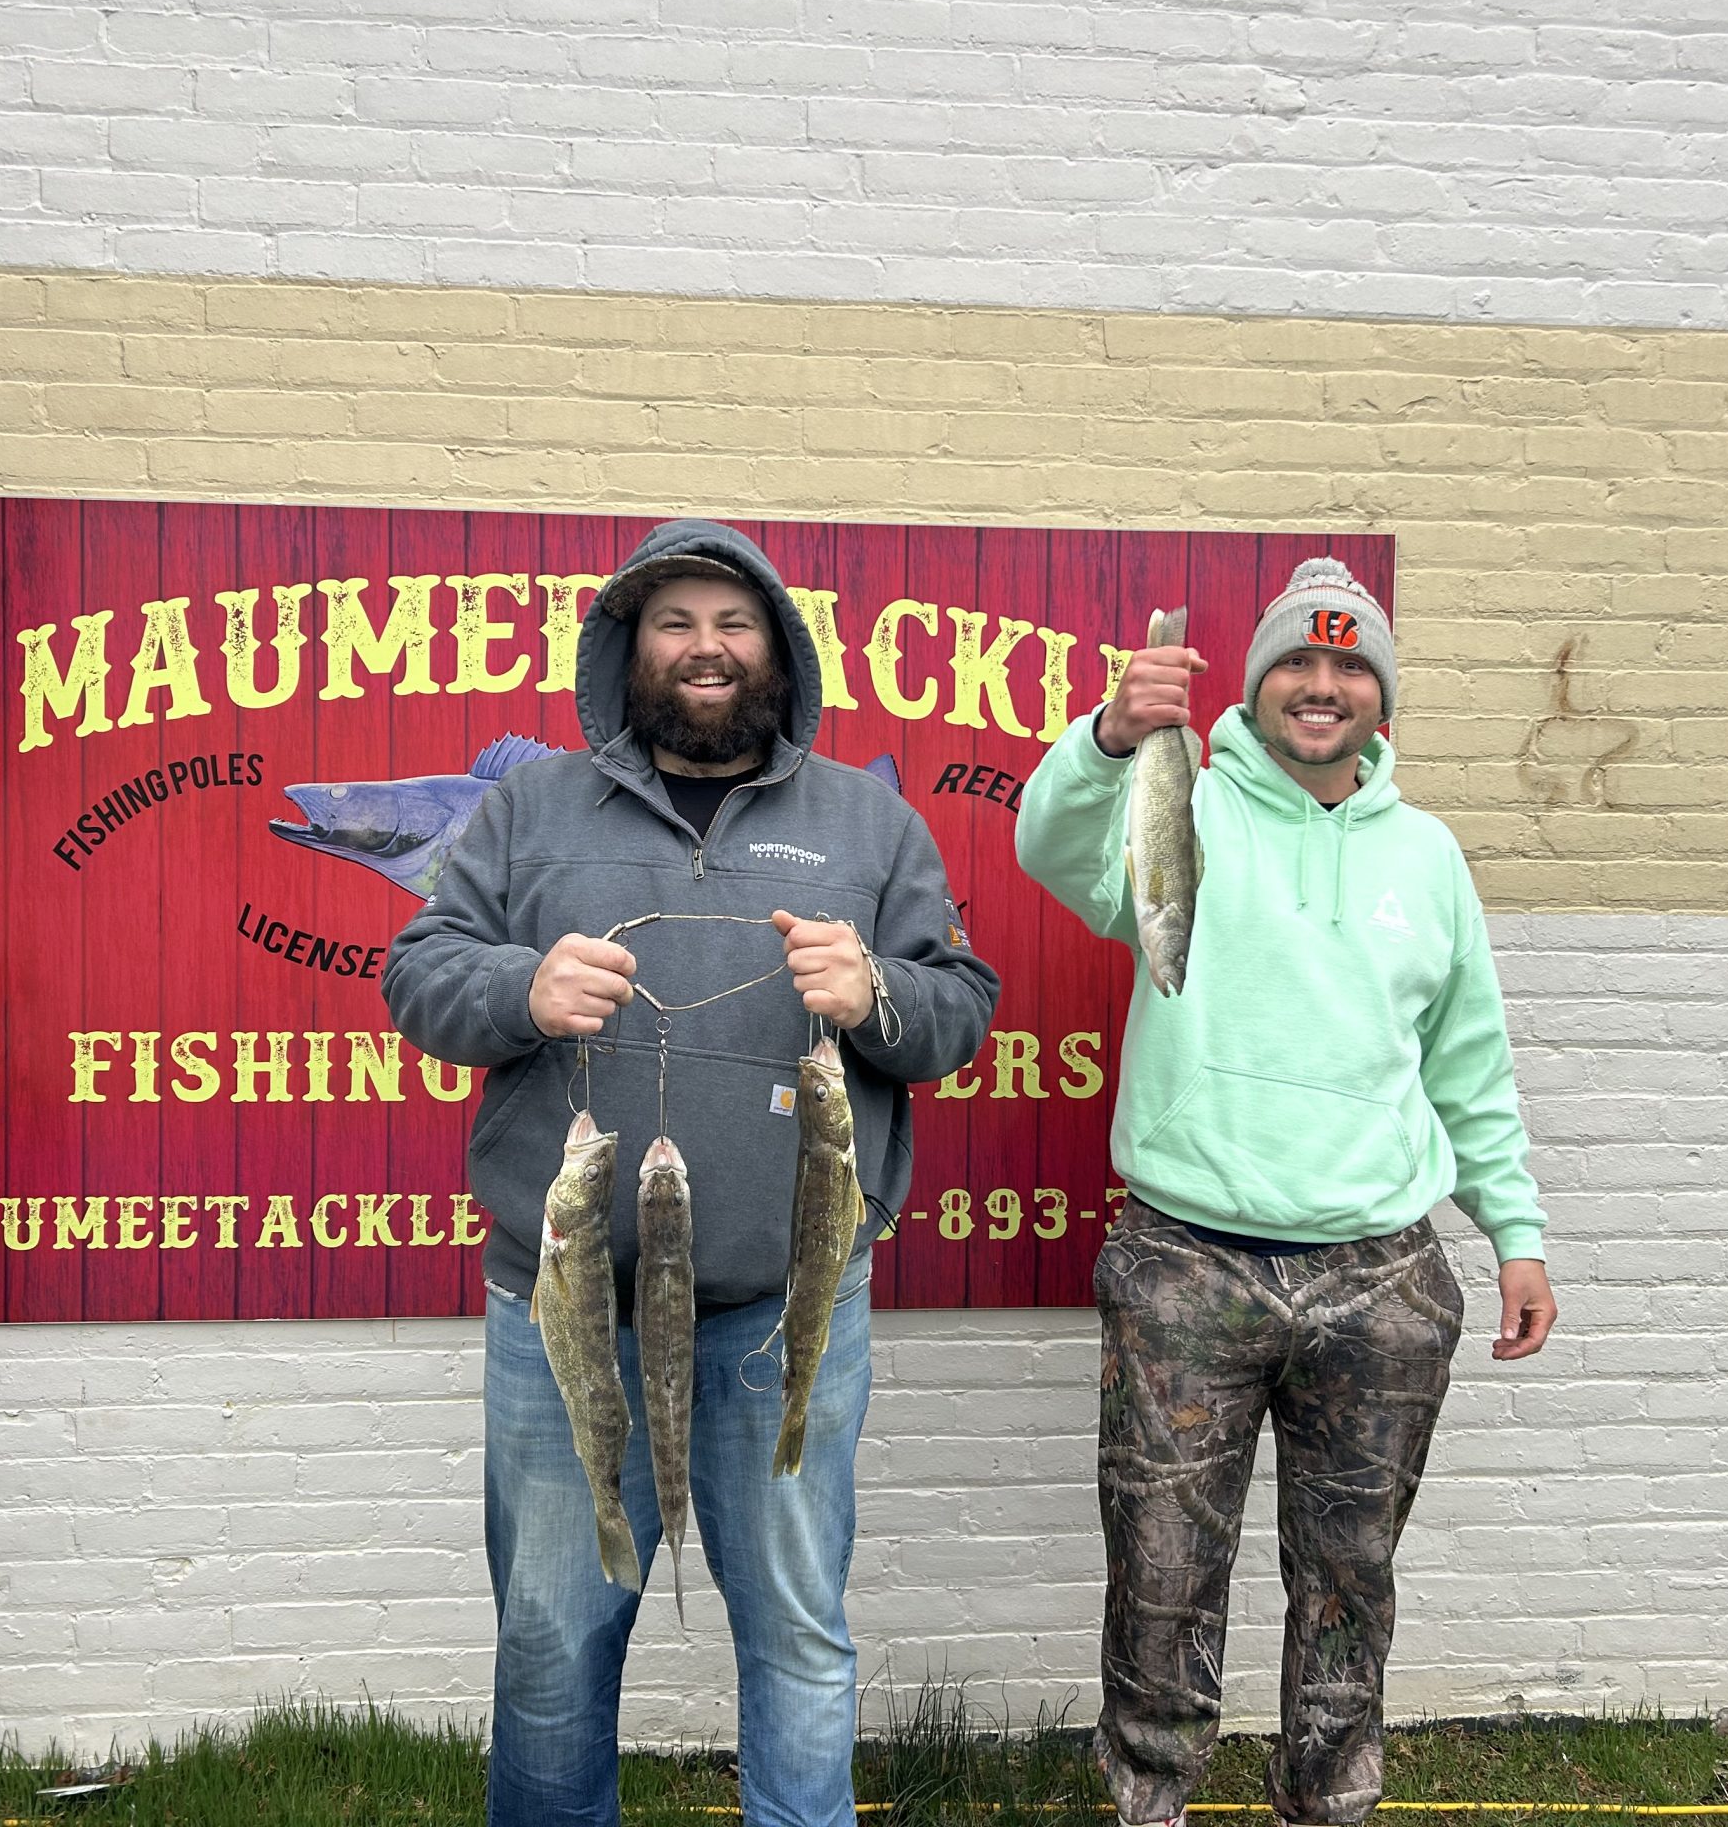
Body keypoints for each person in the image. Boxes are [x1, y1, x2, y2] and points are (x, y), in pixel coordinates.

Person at [383, 520, 1000, 1827]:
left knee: (797, 1636)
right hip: (565, 1317)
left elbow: (957, 1011)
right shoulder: (529, 810)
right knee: (550, 1643)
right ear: (629, 649)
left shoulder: (870, 822)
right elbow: (419, 975)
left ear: (779, 651)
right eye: (675, 623)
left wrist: (878, 993)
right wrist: (520, 987)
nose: (705, 648)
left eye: (734, 623)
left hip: (789, 1319)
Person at [1013, 558, 1556, 1827]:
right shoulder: (1183, 804)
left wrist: (1515, 1232)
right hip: (1185, 1263)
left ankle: (1329, 1803)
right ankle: (1148, 1803)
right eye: (1295, 664)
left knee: (1349, 1583)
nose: (1322, 685)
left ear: (1381, 697)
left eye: (1349, 665)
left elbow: (1469, 1065)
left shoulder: (1426, 857)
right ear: (1255, 686)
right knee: (1161, 1580)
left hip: (1381, 1275)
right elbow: (1048, 846)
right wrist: (1110, 737)